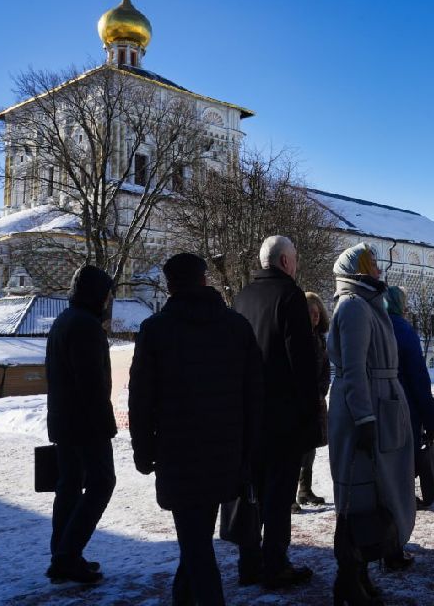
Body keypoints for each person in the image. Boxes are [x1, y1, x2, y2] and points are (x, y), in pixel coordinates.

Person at [129, 254, 264, 605]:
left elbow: (141, 400)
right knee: (196, 542)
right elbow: (254, 396)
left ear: (170, 286)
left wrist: (143, 451)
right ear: (205, 281)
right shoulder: (237, 327)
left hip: (179, 456)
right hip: (227, 453)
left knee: (197, 549)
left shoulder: (156, 330)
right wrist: (249, 453)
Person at [329, 243, 416, 605]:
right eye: (372, 264)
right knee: (359, 496)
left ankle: (357, 576)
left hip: (381, 406)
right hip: (364, 413)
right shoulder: (352, 306)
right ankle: (349, 579)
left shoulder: (366, 303)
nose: (378, 270)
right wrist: (364, 417)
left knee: (373, 494)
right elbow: (353, 370)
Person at [232, 236, 320, 589]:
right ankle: (275, 563)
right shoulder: (290, 296)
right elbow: (301, 362)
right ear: (285, 261)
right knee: (279, 495)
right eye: (295, 258)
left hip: (248, 413)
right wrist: (310, 413)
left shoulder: (241, 297)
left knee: (252, 492)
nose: (296, 264)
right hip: (283, 417)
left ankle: (248, 561)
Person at [45, 265, 117, 585]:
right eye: (106, 294)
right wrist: (106, 424)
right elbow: (92, 384)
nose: (108, 300)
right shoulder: (86, 327)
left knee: (69, 486)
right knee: (102, 483)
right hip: (86, 424)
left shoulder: (64, 321)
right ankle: (67, 556)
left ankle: (62, 554)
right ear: (97, 295)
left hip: (64, 421)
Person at [386, 285, 434, 513]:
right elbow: (418, 378)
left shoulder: (374, 326)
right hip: (405, 407)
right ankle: (403, 502)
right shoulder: (403, 330)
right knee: (405, 461)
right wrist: (431, 419)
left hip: (379, 407)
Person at [293, 291, 332, 511]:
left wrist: (321, 391)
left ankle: (305, 489)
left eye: (317, 313)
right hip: (300, 402)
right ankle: (291, 494)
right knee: (298, 449)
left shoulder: (319, 338)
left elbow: (325, 369)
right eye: (311, 313)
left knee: (311, 448)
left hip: (316, 400)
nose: (315, 317)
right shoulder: (297, 337)